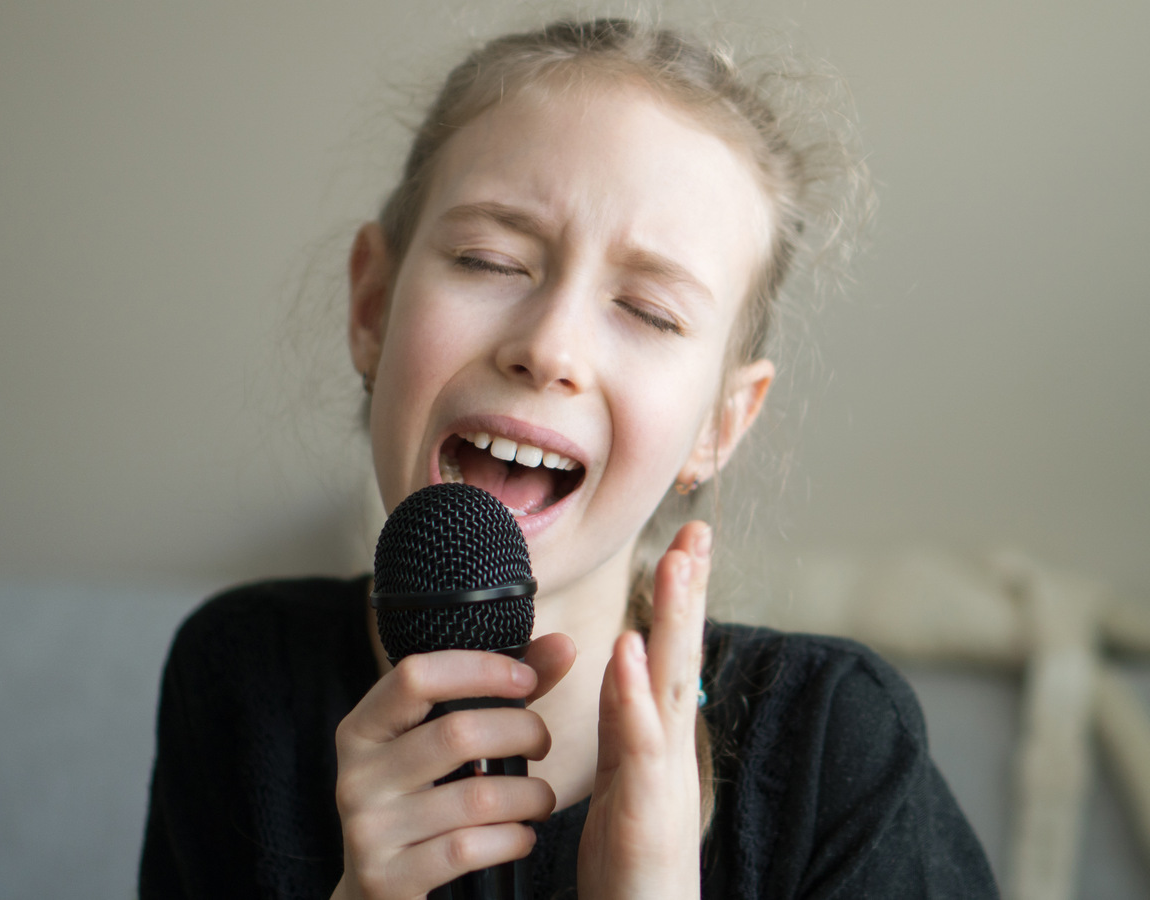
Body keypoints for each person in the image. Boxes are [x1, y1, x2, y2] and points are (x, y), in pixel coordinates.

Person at [139, 16, 999, 900]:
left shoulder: (839, 746)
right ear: (371, 308)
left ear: (720, 423)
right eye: (489, 258)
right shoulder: (243, 678)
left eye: (652, 312)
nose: (550, 347)